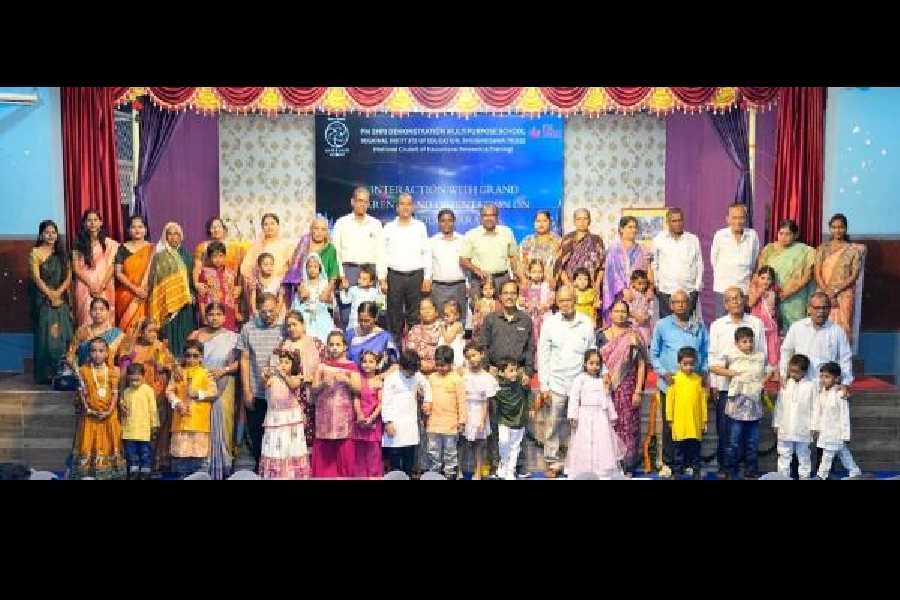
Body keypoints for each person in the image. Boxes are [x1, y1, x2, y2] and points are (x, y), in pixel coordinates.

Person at [707, 287, 768, 476]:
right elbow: (713, 357)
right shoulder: (717, 325)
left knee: (749, 434)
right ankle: (726, 468)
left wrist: (760, 383)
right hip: (727, 388)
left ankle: (748, 469)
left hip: (751, 388)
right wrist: (714, 384)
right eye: (730, 299)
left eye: (738, 298)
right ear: (725, 304)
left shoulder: (756, 323)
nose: (735, 302)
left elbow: (762, 354)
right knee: (726, 431)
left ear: (744, 300)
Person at [537, 285, 596, 478]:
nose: (565, 304)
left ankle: (574, 462)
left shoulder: (586, 323)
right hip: (556, 383)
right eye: (561, 301)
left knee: (577, 425)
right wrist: (544, 385)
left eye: (568, 300)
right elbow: (543, 356)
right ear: (557, 302)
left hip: (579, 384)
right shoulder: (550, 323)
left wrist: (591, 382)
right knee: (552, 425)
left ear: (575, 300)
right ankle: (553, 463)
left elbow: (591, 353)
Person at [649, 289, 709, 477]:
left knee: (693, 426)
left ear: (690, 304)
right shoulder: (662, 325)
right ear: (670, 305)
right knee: (670, 426)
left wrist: (703, 372)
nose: (681, 305)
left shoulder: (698, 326)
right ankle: (669, 463)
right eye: (676, 302)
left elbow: (706, 351)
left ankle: (691, 463)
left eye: (684, 302)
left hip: (692, 386)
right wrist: (662, 372)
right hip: (671, 384)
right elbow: (654, 353)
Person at [117, 317, 177, 475]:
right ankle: (135, 464)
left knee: (158, 428)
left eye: (155, 331)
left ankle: (155, 463)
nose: (153, 334)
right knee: (136, 429)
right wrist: (121, 397)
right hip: (135, 398)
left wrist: (163, 365)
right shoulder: (132, 348)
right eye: (149, 331)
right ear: (140, 332)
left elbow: (174, 367)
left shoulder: (161, 347)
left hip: (158, 395)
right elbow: (124, 373)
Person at [187, 304, 240, 480]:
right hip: (200, 385)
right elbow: (188, 359)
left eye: (218, 314)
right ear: (205, 316)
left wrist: (224, 370)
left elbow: (239, 363)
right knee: (201, 421)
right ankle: (203, 464)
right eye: (211, 314)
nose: (215, 318)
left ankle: (223, 464)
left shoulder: (233, 337)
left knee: (224, 422)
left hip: (224, 383)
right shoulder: (196, 335)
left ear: (225, 317)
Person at [596, 299, 647, 475]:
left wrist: (638, 390)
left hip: (628, 388)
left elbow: (641, 364)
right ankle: (608, 465)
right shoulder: (601, 335)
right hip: (605, 388)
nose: (620, 314)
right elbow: (594, 363)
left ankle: (627, 466)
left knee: (628, 427)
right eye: (616, 311)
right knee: (607, 425)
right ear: (610, 314)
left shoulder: (634, 335)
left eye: (623, 311)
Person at [237, 293, 285, 472]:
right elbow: (244, 359)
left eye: (271, 311)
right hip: (256, 390)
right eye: (264, 312)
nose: (268, 315)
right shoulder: (248, 328)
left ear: (277, 309)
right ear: (257, 310)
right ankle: (260, 469)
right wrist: (247, 390)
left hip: (279, 393)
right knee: (257, 434)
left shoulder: (284, 328)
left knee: (277, 434)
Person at [70, 336, 126, 480]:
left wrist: (109, 411)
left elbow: (115, 393)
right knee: (88, 444)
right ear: (89, 354)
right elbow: (82, 393)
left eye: (101, 351)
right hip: (90, 417)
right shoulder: (83, 371)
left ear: (107, 353)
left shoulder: (113, 371)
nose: (97, 354)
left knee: (110, 444)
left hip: (109, 417)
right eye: (94, 351)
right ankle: (87, 474)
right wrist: (88, 409)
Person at [566, 349, 623, 479]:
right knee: (584, 441)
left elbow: (607, 398)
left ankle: (601, 471)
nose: (594, 366)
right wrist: (573, 415)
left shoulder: (602, 381)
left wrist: (612, 414)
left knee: (602, 442)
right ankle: (584, 470)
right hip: (584, 415)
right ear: (585, 364)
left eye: (597, 364)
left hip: (600, 416)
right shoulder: (580, 379)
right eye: (591, 363)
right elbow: (574, 398)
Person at [332, 187, 387, 325]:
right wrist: (341, 275)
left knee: (370, 313)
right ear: (352, 202)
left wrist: (381, 277)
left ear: (369, 204)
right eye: (359, 201)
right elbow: (335, 251)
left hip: (370, 271)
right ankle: (349, 343)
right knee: (346, 313)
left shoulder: (375, 224)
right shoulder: (341, 223)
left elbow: (381, 252)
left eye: (366, 202)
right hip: (348, 271)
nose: (362, 204)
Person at [28, 220, 73, 385]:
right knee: (45, 336)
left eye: (53, 232)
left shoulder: (62, 253)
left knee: (63, 334)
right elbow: (36, 277)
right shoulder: (36, 253)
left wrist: (58, 293)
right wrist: (49, 294)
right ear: (41, 235)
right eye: (47, 232)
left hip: (61, 298)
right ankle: (45, 374)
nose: (50, 235)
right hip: (43, 299)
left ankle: (62, 371)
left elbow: (69, 276)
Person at [311, 330, 361, 477]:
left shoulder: (351, 366)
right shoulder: (322, 366)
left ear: (345, 347)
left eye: (338, 344)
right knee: (324, 447)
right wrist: (322, 384)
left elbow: (358, 389)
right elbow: (313, 389)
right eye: (331, 344)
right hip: (324, 416)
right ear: (327, 346)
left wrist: (347, 381)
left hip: (343, 418)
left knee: (344, 447)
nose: (334, 348)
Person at [779, 292, 853, 391]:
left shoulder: (837, 331)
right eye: (817, 308)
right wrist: (783, 374)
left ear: (829, 309)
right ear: (809, 309)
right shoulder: (797, 327)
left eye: (825, 308)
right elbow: (786, 352)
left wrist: (845, 383)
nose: (821, 312)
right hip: (799, 385)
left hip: (825, 388)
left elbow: (845, 359)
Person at [720, 327, 767, 479]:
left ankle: (751, 471)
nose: (748, 344)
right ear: (737, 343)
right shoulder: (732, 356)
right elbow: (716, 368)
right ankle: (730, 470)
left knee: (752, 442)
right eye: (744, 341)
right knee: (733, 441)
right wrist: (730, 373)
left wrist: (762, 384)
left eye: (750, 341)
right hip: (737, 405)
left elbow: (766, 374)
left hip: (754, 406)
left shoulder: (760, 356)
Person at [166, 339, 218, 478]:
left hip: (198, 423)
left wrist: (198, 394)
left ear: (201, 357)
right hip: (181, 422)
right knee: (181, 460)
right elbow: (169, 391)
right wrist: (177, 403)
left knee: (199, 460)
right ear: (184, 356)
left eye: (195, 356)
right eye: (188, 355)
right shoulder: (178, 373)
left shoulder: (206, 373)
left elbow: (213, 393)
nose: (191, 359)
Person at [383, 192, 431, 342]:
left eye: (408, 204)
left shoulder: (420, 227)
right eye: (402, 204)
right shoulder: (389, 227)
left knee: (415, 316)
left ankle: (414, 351)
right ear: (397, 207)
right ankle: (394, 351)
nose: (405, 207)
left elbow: (426, 252)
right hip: (394, 276)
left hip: (416, 276)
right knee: (394, 316)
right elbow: (382, 253)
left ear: (413, 207)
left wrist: (428, 277)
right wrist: (381, 277)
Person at [757, 218, 816, 332]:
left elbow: (808, 276)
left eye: (788, 234)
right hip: (771, 298)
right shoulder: (769, 249)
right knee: (771, 332)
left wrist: (785, 293)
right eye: (781, 233)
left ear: (796, 234)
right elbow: (760, 272)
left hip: (795, 298)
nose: (783, 237)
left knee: (795, 331)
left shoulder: (806, 251)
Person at [259, 349, 310, 479]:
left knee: (290, 446)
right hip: (275, 419)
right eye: (281, 362)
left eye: (287, 362)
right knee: (276, 447)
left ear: (294, 364)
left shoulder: (296, 377)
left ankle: (292, 475)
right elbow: (265, 383)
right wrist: (264, 376)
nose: (283, 365)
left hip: (291, 420)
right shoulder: (274, 378)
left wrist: (284, 375)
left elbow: (293, 385)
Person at [147, 222, 196, 359]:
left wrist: (191, 293)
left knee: (185, 335)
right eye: (170, 234)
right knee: (168, 336)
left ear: (181, 236)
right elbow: (155, 281)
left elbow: (191, 278)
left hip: (185, 304)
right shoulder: (159, 256)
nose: (174, 237)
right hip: (166, 304)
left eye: (177, 234)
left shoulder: (187, 255)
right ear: (165, 236)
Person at [815, 213, 863, 345]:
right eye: (834, 227)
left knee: (843, 328)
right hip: (823, 293)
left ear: (846, 228)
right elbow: (817, 272)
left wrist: (835, 291)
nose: (837, 230)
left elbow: (854, 275)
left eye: (841, 227)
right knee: (821, 326)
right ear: (830, 229)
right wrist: (827, 292)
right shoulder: (822, 248)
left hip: (844, 294)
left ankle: (841, 362)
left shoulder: (853, 250)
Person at [381, 350, 431, 477]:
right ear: (401, 366)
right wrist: (388, 422)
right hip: (395, 424)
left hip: (410, 424)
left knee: (409, 460)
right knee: (396, 461)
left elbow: (427, 386)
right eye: (409, 372)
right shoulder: (391, 379)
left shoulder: (416, 375)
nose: (412, 374)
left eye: (414, 372)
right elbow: (385, 401)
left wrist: (427, 401)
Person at [460, 204, 519, 306]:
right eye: (485, 215)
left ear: (497, 217)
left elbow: (513, 257)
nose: (488, 218)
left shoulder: (506, 232)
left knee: (504, 310)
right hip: (480, 281)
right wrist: (476, 269)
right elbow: (463, 259)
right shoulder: (471, 234)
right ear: (481, 217)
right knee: (479, 313)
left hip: (502, 279)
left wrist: (518, 277)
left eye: (492, 215)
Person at [279, 311, 323, 450]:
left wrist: (312, 378)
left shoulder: (316, 344)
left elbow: (325, 366)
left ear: (303, 324)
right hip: (290, 393)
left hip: (312, 392)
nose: (291, 328)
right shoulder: (283, 345)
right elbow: (278, 368)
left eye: (294, 324)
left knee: (311, 429)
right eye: (288, 326)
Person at [812, 361, 862, 480]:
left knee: (827, 455)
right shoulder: (822, 393)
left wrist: (845, 434)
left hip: (836, 432)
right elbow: (818, 413)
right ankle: (855, 471)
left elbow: (844, 416)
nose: (823, 379)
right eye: (822, 376)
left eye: (827, 377)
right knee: (843, 453)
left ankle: (821, 476)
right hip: (825, 431)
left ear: (837, 378)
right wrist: (816, 428)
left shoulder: (840, 394)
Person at [664, 347, 708, 479]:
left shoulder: (698, 380)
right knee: (678, 450)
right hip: (679, 423)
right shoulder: (674, 380)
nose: (688, 367)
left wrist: (704, 421)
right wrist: (670, 419)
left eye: (691, 364)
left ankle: (696, 471)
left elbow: (702, 402)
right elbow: (669, 401)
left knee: (695, 450)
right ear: (679, 363)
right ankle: (677, 472)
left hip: (695, 423)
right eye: (685, 364)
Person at [478, 281, 536, 381]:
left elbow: (530, 348)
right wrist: (486, 369)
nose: (509, 297)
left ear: (517, 296)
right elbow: (483, 346)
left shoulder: (526, 320)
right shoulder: (490, 319)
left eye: (513, 293)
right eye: (505, 293)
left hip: (518, 374)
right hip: (494, 374)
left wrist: (528, 372)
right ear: (500, 296)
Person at [423, 345, 466, 479]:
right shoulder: (431, 378)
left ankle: (450, 474)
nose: (440, 368)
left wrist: (462, 421)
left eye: (444, 365)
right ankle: (434, 473)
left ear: (451, 363)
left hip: (450, 424)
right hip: (433, 423)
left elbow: (462, 402)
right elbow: (426, 398)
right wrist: (425, 410)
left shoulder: (457, 379)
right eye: (438, 365)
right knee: (433, 451)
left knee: (450, 451)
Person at [239, 213, 295, 316]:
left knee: (279, 320)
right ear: (262, 227)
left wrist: (282, 283)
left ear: (278, 226)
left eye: (272, 224)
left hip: (280, 291)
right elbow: (245, 269)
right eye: (266, 224)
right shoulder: (256, 247)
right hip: (261, 290)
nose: (269, 227)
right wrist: (253, 282)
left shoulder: (286, 246)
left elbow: (293, 268)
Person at [72, 209, 120, 328]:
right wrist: (91, 284)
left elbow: (112, 267)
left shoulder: (111, 244)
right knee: (86, 318)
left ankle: (106, 345)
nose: (92, 223)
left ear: (101, 222)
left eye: (95, 220)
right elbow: (76, 268)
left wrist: (102, 284)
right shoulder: (79, 244)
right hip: (85, 286)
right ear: (84, 223)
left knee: (105, 318)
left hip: (105, 285)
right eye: (89, 220)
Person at [711, 203, 760, 318]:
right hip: (723, 290)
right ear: (727, 219)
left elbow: (754, 262)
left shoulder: (752, 236)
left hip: (744, 290)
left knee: (743, 328)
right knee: (723, 325)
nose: (738, 221)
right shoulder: (720, 235)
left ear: (746, 219)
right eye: (734, 218)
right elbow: (714, 261)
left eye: (741, 218)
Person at [652, 208, 703, 319]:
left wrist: (697, 287)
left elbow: (699, 263)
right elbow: (655, 264)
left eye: (680, 220)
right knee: (667, 326)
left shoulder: (693, 239)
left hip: (688, 291)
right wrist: (658, 287)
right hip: (666, 291)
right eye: (674, 221)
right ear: (668, 222)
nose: (678, 223)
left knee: (688, 326)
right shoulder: (659, 240)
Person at [283, 215, 340, 310]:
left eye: (323, 229)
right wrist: (300, 287)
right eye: (316, 228)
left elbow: (333, 273)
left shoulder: (330, 248)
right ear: (311, 229)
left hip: (323, 292)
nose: (319, 232)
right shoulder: (304, 244)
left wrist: (327, 290)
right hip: (304, 290)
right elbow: (294, 269)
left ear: (327, 232)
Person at [602, 216, 651, 325]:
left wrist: (647, 289)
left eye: (635, 227)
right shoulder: (613, 250)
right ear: (621, 229)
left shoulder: (642, 250)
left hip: (639, 295)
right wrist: (623, 289)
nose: (633, 230)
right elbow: (611, 274)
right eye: (630, 227)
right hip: (619, 295)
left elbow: (647, 271)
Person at [774, 354, 816, 480]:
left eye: (796, 371)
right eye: (790, 370)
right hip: (785, 426)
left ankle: (804, 476)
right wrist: (776, 423)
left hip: (803, 427)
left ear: (804, 371)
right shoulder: (785, 384)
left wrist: (814, 426)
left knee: (803, 455)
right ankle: (782, 477)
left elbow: (815, 408)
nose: (792, 374)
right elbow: (779, 405)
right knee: (784, 454)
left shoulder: (811, 386)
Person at [461, 342, 498, 480]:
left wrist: (482, 420)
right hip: (465, 410)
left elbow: (486, 402)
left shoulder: (487, 378)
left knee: (480, 444)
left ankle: (478, 472)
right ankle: (460, 469)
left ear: (482, 354)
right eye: (468, 356)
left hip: (479, 412)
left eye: (474, 355)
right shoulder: (463, 375)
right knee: (462, 442)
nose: (472, 359)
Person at [493, 359, 533, 480]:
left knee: (515, 447)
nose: (514, 373)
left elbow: (528, 393)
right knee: (504, 442)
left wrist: (531, 408)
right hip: (503, 420)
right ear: (501, 372)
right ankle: (503, 464)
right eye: (511, 371)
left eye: (516, 370)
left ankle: (511, 471)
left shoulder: (522, 381)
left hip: (518, 419)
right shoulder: (496, 384)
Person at [114, 215, 154, 335]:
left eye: (140, 227)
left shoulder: (152, 249)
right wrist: (135, 289)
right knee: (128, 330)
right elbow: (118, 273)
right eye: (133, 227)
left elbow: (155, 272)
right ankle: (127, 352)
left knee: (146, 327)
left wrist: (146, 290)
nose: (137, 230)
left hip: (147, 295)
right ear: (128, 230)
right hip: (127, 294)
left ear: (145, 229)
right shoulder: (122, 248)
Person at [429, 209, 469, 323]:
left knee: (460, 321)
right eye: (443, 221)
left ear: (454, 222)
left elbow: (467, 264)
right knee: (440, 321)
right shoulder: (432, 242)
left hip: (459, 287)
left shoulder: (463, 240)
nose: (446, 224)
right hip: (438, 288)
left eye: (449, 220)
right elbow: (428, 265)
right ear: (438, 223)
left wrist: (467, 283)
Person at [120, 363, 158, 480]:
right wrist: (122, 406)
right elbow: (123, 406)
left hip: (144, 430)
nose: (134, 383)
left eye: (137, 380)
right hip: (130, 430)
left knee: (145, 452)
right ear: (128, 379)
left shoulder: (148, 390)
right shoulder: (126, 392)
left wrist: (154, 425)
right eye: (132, 380)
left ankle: (145, 471)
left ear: (143, 376)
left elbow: (153, 409)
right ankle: (134, 471)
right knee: (131, 453)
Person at [193, 216, 246, 301]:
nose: (216, 230)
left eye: (219, 226)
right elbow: (197, 268)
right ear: (209, 230)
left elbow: (240, 270)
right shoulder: (202, 247)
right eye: (213, 227)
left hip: (230, 290)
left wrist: (240, 286)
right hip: (210, 290)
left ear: (224, 229)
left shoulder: (235, 247)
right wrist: (196, 284)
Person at [555, 208, 604, 297]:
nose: (582, 222)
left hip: (590, 288)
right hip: (569, 287)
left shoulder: (596, 240)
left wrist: (597, 285)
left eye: (585, 218)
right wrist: (568, 284)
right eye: (579, 219)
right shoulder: (567, 239)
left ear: (589, 221)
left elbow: (602, 266)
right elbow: (559, 265)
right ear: (574, 221)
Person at [66, 297, 124, 369]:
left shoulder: (118, 334)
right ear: (90, 312)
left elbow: (124, 359)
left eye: (101, 309)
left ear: (108, 312)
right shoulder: (82, 331)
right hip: (84, 375)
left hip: (108, 376)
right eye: (94, 309)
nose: (98, 312)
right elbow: (71, 353)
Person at [352, 350, 384, 478]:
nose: (367, 364)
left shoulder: (379, 382)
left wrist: (371, 418)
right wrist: (359, 414)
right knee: (359, 456)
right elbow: (356, 398)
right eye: (364, 361)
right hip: (359, 422)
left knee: (374, 455)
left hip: (373, 423)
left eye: (371, 361)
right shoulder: (358, 380)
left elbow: (381, 403)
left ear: (377, 364)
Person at [290, 253, 335, 343]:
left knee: (323, 340)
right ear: (305, 269)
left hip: (321, 316)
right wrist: (302, 295)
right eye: (309, 267)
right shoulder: (303, 284)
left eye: (315, 267)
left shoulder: (324, 283)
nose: (312, 269)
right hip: (306, 316)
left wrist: (327, 298)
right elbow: (297, 302)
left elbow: (331, 303)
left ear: (319, 268)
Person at [197, 241, 242, 332]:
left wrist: (236, 313)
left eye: (221, 256)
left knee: (228, 340)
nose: (218, 259)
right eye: (214, 256)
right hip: (213, 312)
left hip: (229, 312)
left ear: (225, 256)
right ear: (209, 258)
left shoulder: (231, 273)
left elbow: (235, 296)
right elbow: (201, 297)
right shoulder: (205, 273)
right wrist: (203, 316)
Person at [519, 258, 554, 368]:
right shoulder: (526, 287)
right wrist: (527, 305)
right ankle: (531, 363)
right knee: (531, 341)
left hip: (543, 318)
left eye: (539, 271)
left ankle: (543, 364)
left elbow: (551, 300)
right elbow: (521, 300)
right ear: (529, 273)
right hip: (530, 318)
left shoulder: (546, 286)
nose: (537, 274)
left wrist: (544, 306)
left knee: (543, 341)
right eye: (534, 272)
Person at [346, 301, 399, 371]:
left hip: (376, 377)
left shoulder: (385, 337)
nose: (363, 324)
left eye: (367, 321)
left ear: (375, 318)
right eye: (360, 320)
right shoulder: (350, 334)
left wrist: (381, 377)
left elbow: (395, 364)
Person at [518, 210, 561, 290]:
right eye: (538, 221)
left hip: (550, 286)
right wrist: (523, 279)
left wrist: (555, 279)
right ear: (534, 223)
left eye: (544, 221)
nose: (541, 224)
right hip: (530, 286)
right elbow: (520, 264)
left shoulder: (557, 241)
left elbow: (560, 265)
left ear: (550, 223)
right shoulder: (527, 241)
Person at [747, 266, 781, 369]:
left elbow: (773, 310)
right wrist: (759, 292)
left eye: (769, 279)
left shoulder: (773, 292)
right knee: (758, 347)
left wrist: (770, 295)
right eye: (763, 278)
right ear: (757, 278)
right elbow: (750, 303)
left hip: (770, 327)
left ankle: (772, 371)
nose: (766, 281)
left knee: (772, 349)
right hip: (756, 325)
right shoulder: (753, 289)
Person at [338, 264, 384, 332]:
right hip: (354, 323)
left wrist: (381, 291)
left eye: (364, 279)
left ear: (371, 282)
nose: (360, 281)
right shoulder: (353, 289)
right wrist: (343, 289)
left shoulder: (374, 292)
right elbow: (345, 301)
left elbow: (380, 304)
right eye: (359, 278)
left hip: (368, 323)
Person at [405, 297, 443, 375]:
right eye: (423, 309)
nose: (427, 311)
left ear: (436, 312)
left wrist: (435, 365)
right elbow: (410, 354)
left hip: (441, 369)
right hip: (418, 369)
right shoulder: (414, 330)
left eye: (429, 308)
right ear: (419, 314)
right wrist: (420, 363)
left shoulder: (443, 327)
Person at [622, 270, 655, 345]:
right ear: (633, 283)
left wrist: (646, 317)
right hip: (631, 324)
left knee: (644, 343)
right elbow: (626, 308)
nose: (642, 286)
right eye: (639, 284)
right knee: (632, 343)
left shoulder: (648, 295)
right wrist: (635, 315)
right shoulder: (630, 294)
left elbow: (651, 309)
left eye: (644, 283)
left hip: (644, 325)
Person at [250, 253, 286, 319]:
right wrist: (255, 312)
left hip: (275, 313)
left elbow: (281, 299)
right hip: (262, 313)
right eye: (266, 264)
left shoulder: (278, 281)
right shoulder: (256, 281)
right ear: (259, 266)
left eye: (271, 264)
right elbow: (253, 298)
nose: (269, 267)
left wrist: (276, 313)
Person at [471, 277, 500, 341]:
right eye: (485, 289)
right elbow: (475, 317)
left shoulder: (497, 303)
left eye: (490, 288)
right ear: (482, 290)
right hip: (481, 329)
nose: (488, 291)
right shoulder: (479, 303)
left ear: (494, 290)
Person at [439, 300, 465, 370]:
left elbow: (448, 340)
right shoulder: (446, 325)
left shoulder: (457, 325)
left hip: (455, 354)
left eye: (447, 315)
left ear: (457, 315)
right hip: (444, 354)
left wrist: (442, 327)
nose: (445, 318)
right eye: (444, 315)